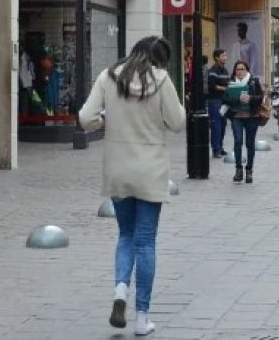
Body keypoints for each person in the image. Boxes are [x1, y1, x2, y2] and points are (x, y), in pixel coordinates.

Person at [79, 36, 185, 336]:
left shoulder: (108, 76)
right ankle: (141, 317)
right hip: (150, 170)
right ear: (160, 59)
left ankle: (120, 291)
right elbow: (177, 123)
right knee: (146, 241)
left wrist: (104, 120)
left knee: (126, 235)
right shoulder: (162, 80)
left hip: (118, 169)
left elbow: (85, 118)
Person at [224, 60, 264, 184]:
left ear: (247, 70)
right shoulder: (231, 83)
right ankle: (238, 169)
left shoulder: (253, 81)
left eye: (242, 69)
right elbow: (225, 100)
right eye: (237, 69)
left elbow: (260, 97)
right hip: (237, 117)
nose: (240, 71)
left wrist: (250, 98)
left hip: (251, 117)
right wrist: (238, 99)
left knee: (250, 143)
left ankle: (249, 170)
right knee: (238, 142)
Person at [206, 49, 230, 158]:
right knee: (216, 126)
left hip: (224, 101)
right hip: (215, 101)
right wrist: (225, 88)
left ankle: (220, 147)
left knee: (223, 125)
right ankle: (216, 150)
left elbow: (227, 84)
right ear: (217, 57)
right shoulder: (213, 70)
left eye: (225, 55)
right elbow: (212, 86)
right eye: (223, 55)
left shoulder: (225, 70)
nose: (225, 57)